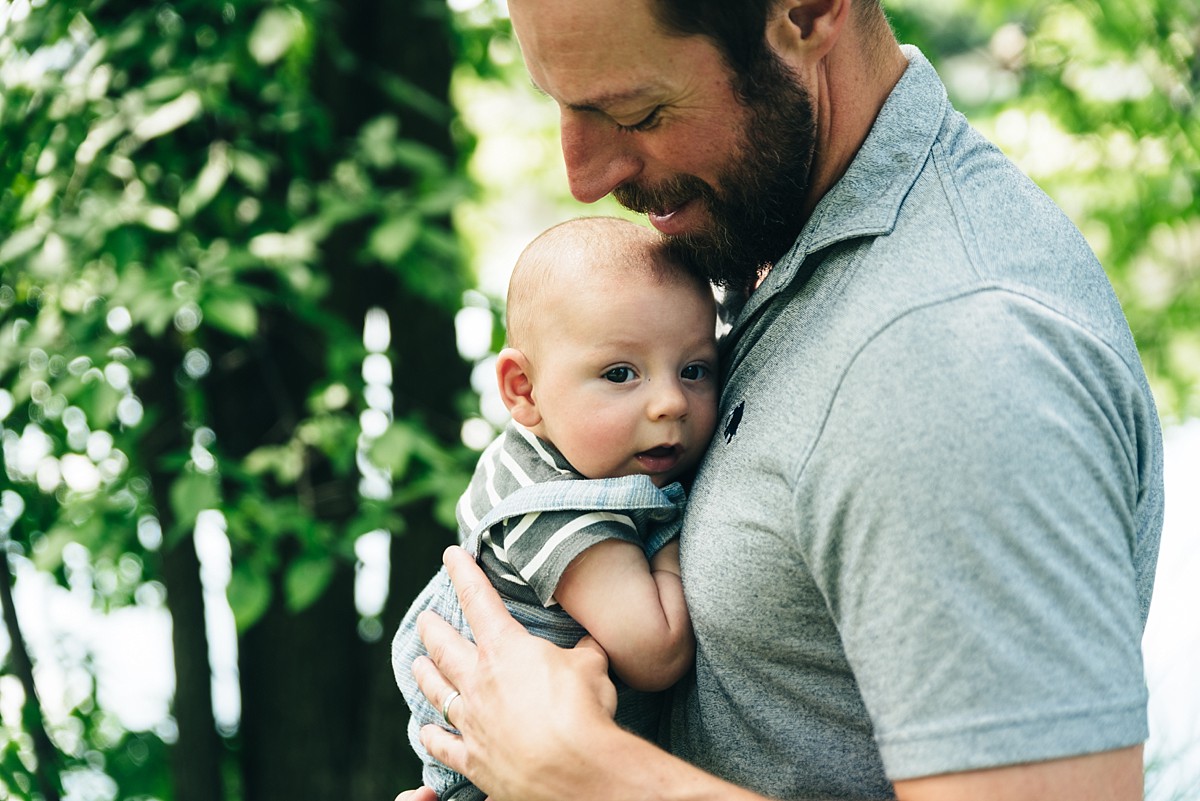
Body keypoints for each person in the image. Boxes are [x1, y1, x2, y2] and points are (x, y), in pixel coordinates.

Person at [400, 0, 1165, 799]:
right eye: (562, 104)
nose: (584, 175)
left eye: (637, 112)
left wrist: (584, 774)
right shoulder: (771, 241)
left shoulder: (952, 359)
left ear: (805, 13)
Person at [392, 216, 719, 801]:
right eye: (621, 374)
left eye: (694, 369)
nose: (671, 402)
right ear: (524, 390)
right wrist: (675, 527)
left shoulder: (565, 457)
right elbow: (659, 650)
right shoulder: (551, 504)